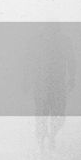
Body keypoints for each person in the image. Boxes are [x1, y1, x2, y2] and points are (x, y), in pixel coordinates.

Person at [27, 23, 75, 151]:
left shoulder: (64, 41)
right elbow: (30, 61)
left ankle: (51, 136)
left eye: (54, 29)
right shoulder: (39, 41)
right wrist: (27, 80)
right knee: (42, 115)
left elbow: (71, 59)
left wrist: (72, 77)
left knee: (58, 115)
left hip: (57, 84)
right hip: (42, 84)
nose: (52, 32)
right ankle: (42, 144)